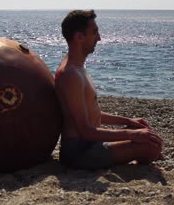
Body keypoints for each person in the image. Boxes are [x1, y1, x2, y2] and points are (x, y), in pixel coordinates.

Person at [54, 10, 164, 169]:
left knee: (145, 134)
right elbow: (85, 131)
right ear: (79, 37)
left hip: (91, 144)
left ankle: (132, 158)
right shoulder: (70, 74)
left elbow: (93, 114)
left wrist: (128, 122)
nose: (99, 38)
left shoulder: (78, 69)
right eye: (94, 32)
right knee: (150, 146)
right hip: (79, 153)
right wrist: (130, 134)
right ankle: (134, 164)